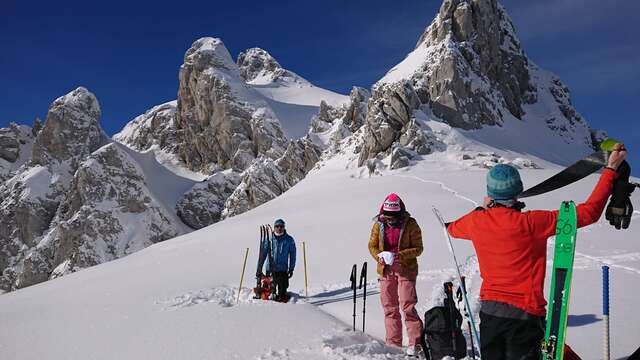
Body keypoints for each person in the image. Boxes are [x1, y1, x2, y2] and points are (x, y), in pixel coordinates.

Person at [445, 144, 627, 359]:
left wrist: (482, 210)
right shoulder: (532, 222)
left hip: (490, 313)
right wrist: (610, 170)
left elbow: (452, 229)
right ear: (517, 190)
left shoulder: (476, 222)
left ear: (490, 193)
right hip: (525, 314)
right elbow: (589, 213)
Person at [368, 193, 424, 356]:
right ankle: (393, 342)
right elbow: (372, 245)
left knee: (407, 305)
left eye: (393, 217)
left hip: (406, 268)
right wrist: (379, 255)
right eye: (387, 216)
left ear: (400, 213)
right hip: (386, 269)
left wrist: (400, 255)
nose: (390, 220)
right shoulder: (379, 225)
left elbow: (418, 248)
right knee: (389, 307)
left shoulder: (410, 224)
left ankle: (416, 342)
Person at [256, 219, 296, 302]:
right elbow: (262, 255)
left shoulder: (289, 240)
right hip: (270, 269)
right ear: (274, 228)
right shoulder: (270, 239)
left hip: (282, 270)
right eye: (277, 226)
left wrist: (291, 268)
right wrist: (258, 269)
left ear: (284, 227)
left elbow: (293, 255)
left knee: (282, 294)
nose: (279, 228)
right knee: (267, 294)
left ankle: (282, 298)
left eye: (281, 226)